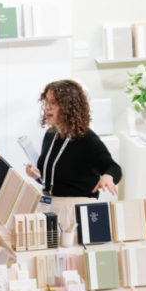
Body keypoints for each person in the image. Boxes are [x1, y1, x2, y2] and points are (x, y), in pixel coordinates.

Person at [24, 80, 122, 231]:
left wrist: (108, 176)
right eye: (46, 101)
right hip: (51, 205)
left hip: (74, 212)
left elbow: (114, 168)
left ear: (68, 107)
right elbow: (57, 180)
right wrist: (37, 176)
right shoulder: (51, 134)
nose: (47, 107)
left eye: (53, 102)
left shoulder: (86, 139)